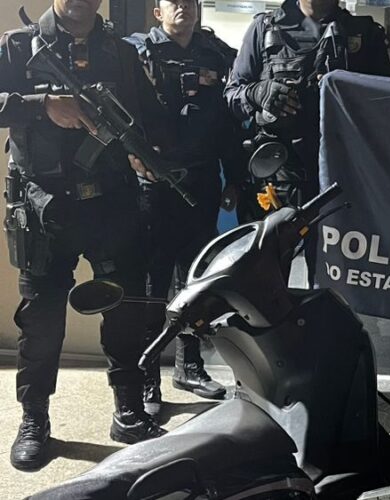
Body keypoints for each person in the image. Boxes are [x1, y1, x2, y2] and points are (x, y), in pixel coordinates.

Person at [0, 0, 168, 471]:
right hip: (45, 206)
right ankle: (35, 418)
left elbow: (147, 115)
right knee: (41, 318)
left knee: (124, 307)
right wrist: (42, 106)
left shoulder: (122, 52)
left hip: (111, 203)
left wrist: (145, 152)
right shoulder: (18, 46)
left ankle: (128, 409)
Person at [125, 0, 246, 416]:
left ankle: (189, 366)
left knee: (195, 280)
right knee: (152, 285)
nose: (184, 7)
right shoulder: (135, 54)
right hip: (154, 184)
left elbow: (229, 122)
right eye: (174, 1)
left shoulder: (216, 53)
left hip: (201, 180)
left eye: (191, 1)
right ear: (157, 12)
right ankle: (147, 378)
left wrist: (234, 177)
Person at [223, 0, 390, 285]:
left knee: (336, 283)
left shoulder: (364, 34)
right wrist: (258, 92)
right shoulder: (264, 29)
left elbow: (389, 103)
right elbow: (233, 95)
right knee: (267, 281)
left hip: (340, 179)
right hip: (278, 178)